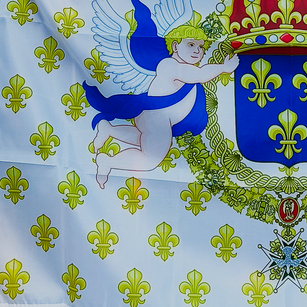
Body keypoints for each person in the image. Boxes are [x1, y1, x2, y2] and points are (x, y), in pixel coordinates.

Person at [87, 20, 238, 186]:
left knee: (142, 139)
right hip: (158, 118)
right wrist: (224, 67)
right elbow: (201, 74)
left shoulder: (181, 67)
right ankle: (108, 162)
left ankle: (109, 129)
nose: (197, 50)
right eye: (191, 44)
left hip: (154, 119)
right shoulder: (171, 65)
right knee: (150, 159)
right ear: (175, 46)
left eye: (201, 47)